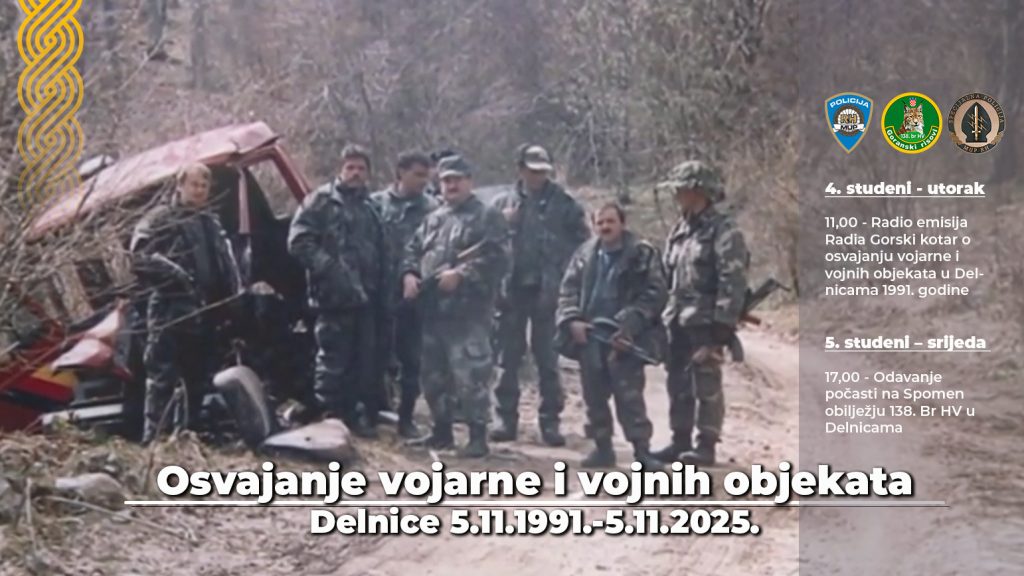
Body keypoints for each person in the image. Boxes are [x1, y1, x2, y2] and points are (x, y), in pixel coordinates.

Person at [400, 155, 509, 458]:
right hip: (434, 311)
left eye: (457, 179)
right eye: (446, 180)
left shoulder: (488, 216)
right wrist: (409, 274)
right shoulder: (434, 218)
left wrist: (462, 275)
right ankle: (441, 432)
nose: (451, 185)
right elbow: (412, 249)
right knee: (433, 375)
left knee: (471, 375)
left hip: (468, 313)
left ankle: (477, 436)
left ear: (469, 182)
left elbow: (499, 258)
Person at [130, 162, 242, 444]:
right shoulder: (160, 219)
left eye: (204, 186)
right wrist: (176, 277)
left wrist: (232, 298)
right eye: (194, 184)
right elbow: (139, 257)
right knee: (162, 380)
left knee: (198, 379)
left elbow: (225, 264)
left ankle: (187, 438)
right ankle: (156, 443)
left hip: (206, 313)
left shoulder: (210, 222)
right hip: (170, 311)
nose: (199, 190)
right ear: (180, 186)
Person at [287, 144, 389, 438]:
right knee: (332, 360)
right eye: (350, 167)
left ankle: (352, 416)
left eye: (361, 168)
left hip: (366, 297)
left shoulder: (371, 207)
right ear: (340, 170)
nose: (355, 173)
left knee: (362, 360)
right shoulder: (320, 201)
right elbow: (298, 242)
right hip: (334, 298)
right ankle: (329, 418)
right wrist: (329, 268)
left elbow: (381, 249)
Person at [490, 144, 590, 446]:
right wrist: (502, 224)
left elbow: (584, 247)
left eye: (543, 171)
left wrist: (567, 279)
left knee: (547, 359)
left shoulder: (565, 205)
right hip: (511, 291)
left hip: (549, 292)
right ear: (520, 170)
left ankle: (550, 422)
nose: (538, 177)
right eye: (533, 171)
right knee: (508, 358)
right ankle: (505, 419)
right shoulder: (501, 204)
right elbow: (486, 245)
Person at [555, 203, 668, 468]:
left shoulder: (642, 253)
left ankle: (642, 451)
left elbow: (655, 293)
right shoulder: (584, 254)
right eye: (600, 222)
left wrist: (630, 324)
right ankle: (603, 448)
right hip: (591, 336)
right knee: (594, 397)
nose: (605, 227)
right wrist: (572, 320)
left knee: (629, 397)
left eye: (610, 221)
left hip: (625, 338)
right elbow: (568, 290)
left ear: (622, 223)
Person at [653, 160, 749, 466]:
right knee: (677, 382)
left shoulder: (723, 231)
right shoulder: (679, 230)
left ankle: (706, 445)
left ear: (697, 191)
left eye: (681, 189)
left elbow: (732, 279)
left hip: (706, 322)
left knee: (706, 383)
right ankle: (679, 440)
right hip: (676, 319)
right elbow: (667, 276)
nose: (676, 195)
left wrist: (722, 326)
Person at [371, 151, 439, 438]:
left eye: (427, 176)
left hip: (414, 296)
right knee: (373, 356)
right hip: (377, 293)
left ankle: (406, 418)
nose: (424, 182)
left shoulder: (433, 209)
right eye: (418, 175)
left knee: (412, 361)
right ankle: (372, 412)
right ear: (400, 173)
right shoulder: (375, 205)